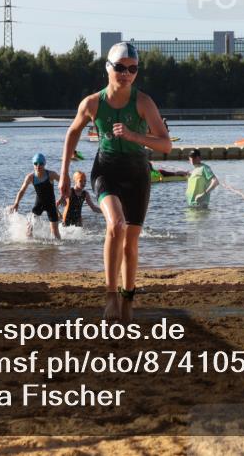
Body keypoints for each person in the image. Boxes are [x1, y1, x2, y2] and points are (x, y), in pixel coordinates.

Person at [59, 42, 172, 322]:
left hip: (137, 173)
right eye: (120, 67)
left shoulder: (144, 102)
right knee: (116, 224)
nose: (126, 74)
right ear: (108, 68)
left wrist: (135, 136)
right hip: (106, 169)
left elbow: (165, 145)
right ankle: (110, 296)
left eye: (132, 69)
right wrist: (63, 175)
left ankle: (127, 298)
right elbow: (72, 133)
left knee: (130, 244)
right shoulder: (92, 103)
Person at [9, 153, 60, 239]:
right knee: (29, 230)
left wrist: (62, 197)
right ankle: (30, 248)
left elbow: (64, 184)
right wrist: (16, 203)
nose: (38, 166)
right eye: (35, 163)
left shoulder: (51, 174)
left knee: (55, 232)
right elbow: (22, 190)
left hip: (51, 205)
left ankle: (59, 249)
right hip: (39, 204)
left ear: (44, 164)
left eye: (41, 163)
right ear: (33, 164)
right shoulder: (31, 177)